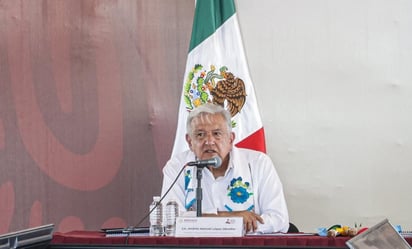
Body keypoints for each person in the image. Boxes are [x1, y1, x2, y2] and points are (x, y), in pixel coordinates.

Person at [161, 103, 289, 233]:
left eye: (217, 134)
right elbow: (169, 221)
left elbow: (279, 220)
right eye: (200, 135)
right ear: (189, 142)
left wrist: (204, 223)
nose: (209, 141)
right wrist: (230, 218)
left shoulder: (258, 163)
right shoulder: (177, 167)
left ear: (230, 139)